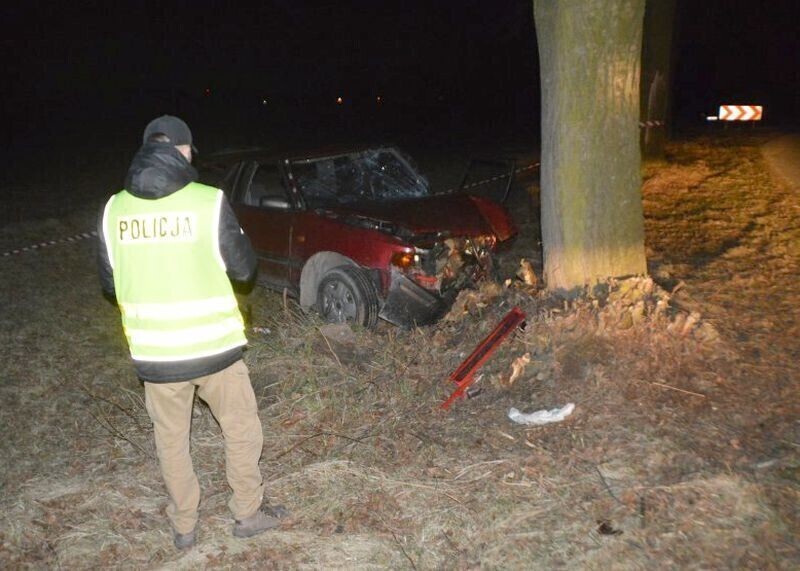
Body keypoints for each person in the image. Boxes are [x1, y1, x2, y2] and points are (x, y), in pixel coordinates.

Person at [97, 115, 283, 549]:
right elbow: (244, 270)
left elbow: (109, 283)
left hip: (156, 354)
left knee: (171, 441)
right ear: (183, 150)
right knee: (240, 428)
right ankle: (247, 513)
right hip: (214, 348)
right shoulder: (208, 202)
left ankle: (184, 526)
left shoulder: (113, 210)